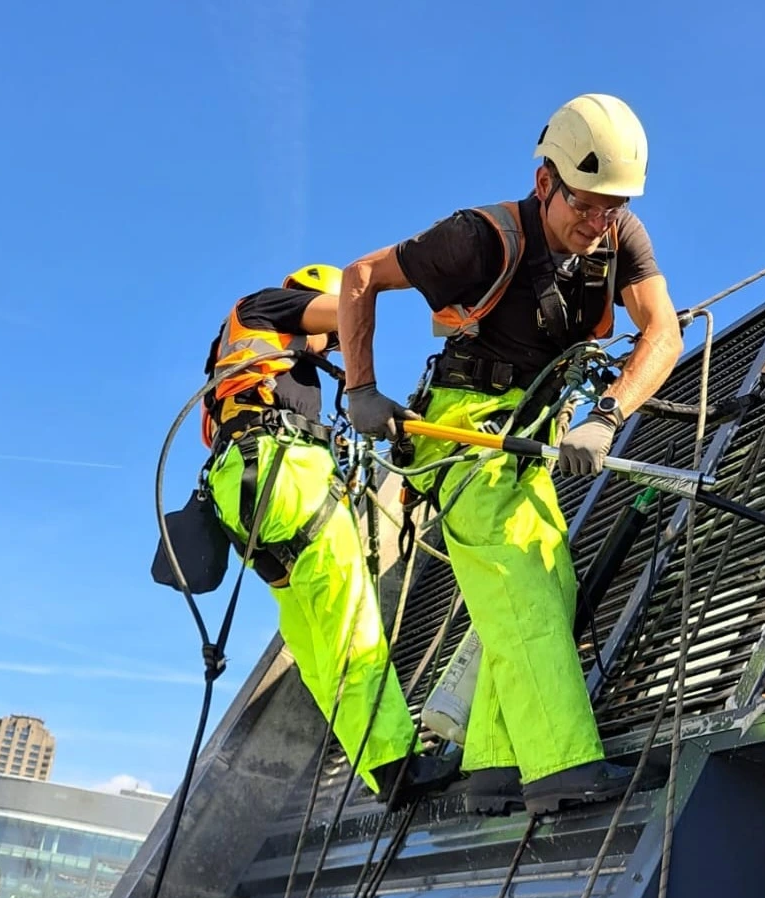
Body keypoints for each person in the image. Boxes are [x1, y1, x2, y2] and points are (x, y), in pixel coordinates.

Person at [338, 95, 684, 816]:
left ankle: (494, 763)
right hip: (464, 431)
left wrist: (608, 413)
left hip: (532, 430)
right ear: (544, 183)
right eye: (584, 207)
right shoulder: (479, 237)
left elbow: (664, 333)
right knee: (522, 583)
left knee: (550, 587)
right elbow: (361, 277)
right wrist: (360, 388)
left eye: (610, 210)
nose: (597, 226)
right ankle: (560, 765)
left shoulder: (620, 233)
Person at [201, 264, 459, 807]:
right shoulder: (268, 305)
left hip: (240, 491)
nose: (337, 346)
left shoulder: (255, 363)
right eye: (334, 338)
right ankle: (395, 762)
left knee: (315, 642)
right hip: (283, 470)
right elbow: (349, 308)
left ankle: (380, 768)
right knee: (352, 620)